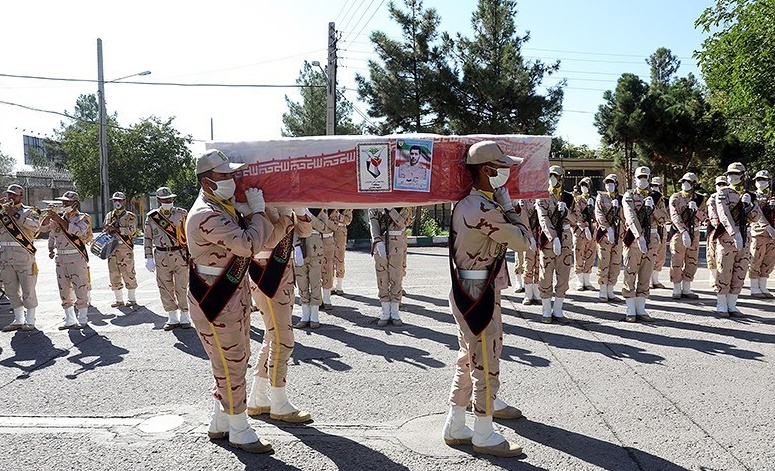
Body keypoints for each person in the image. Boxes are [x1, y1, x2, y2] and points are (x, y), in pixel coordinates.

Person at [443, 140, 529, 457]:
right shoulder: (483, 209)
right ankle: (483, 432)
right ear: (488, 170)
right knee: (486, 360)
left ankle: (455, 424)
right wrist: (509, 208)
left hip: (470, 286)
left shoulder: (471, 204)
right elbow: (524, 242)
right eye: (502, 167)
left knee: (469, 358)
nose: (507, 172)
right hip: (478, 293)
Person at [186, 149, 274, 453]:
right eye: (226, 176)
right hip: (216, 296)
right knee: (231, 362)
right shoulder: (206, 214)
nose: (233, 180)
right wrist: (258, 213)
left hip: (227, 294)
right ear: (208, 181)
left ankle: (220, 421)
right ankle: (239, 428)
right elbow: (247, 244)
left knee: (227, 360)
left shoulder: (220, 206)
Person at [246, 206, 313, 424]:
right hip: (268, 273)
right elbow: (269, 240)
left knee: (272, 335)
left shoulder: (283, 201)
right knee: (283, 340)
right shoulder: (256, 203)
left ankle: (258, 397)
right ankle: (279, 401)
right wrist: (285, 216)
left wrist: (301, 212)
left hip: (282, 273)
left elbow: (305, 231)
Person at [621, 166, 668, 322]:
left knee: (646, 273)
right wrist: (639, 236)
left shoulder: (657, 198)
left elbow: (664, 219)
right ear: (635, 179)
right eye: (640, 177)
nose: (642, 180)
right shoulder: (629, 195)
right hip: (634, 239)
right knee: (630, 272)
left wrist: (653, 208)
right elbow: (630, 216)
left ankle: (641, 309)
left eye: (645, 177)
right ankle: (630, 309)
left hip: (652, 240)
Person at [42, 191, 92, 329]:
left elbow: (77, 231)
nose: (63, 204)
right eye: (63, 202)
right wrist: (50, 248)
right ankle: (70, 318)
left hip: (76, 257)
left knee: (80, 287)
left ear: (75, 204)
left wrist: (58, 219)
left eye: (67, 202)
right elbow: (47, 231)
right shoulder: (58, 218)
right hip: (61, 258)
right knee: (64, 289)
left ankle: (82, 317)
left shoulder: (83, 218)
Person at [715, 162, 760, 317]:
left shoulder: (749, 195)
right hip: (727, 237)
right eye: (729, 174)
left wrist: (750, 205)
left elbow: (756, 218)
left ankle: (732, 304)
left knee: (740, 270)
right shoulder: (723, 192)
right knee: (724, 270)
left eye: (736, 174)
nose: (732, 177)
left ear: (743, 175)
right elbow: (724, 215)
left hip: (745, 236)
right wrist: (735, 234)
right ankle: (721, 304)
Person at [144, 187, 190, 330]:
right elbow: (147, 238)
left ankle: (184, 316)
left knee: (182, 286)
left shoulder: (182, 214)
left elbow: (190, 234)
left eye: (169, 199)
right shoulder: (152, 217)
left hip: (180, 254)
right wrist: (148, 257)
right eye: (164, 200)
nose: (167, 201)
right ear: (158, 201)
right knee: (165, 287)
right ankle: (172, 317)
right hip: (161, 255)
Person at [536, 165, 575, 323]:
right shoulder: (542, 196)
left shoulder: (569, 197)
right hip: (548, 240)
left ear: (561, 178)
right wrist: (554, 237)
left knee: (563, 274)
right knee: (546, 274)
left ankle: (558, 310)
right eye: (550, 175)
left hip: (565, 238)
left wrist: (567, 212)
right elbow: (543, 219)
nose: (553, 178)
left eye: (556, 175)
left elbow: (576, 220)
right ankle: (546, 310)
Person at [0, 184, 41, 332]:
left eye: (14, 195)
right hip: (5, 258)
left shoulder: (30, 211)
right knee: (10, 289)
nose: (11, 197)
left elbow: (36, 227)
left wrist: (15, 215)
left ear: (21, 196)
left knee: (28, 289)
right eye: (9, 194)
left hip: (23, 257)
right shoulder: (2, 212)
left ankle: (30, 320)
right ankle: (18, 319)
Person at [369, 207, 412, 326]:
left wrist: (390, 209)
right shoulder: (375, 204)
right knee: (382, 277)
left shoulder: (403, 206)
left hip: (397, 244)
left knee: (396, 278)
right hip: (381, 243)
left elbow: (402, 224)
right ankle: (385, 311)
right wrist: (377, 241)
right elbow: (373, 224)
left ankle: (395, 312)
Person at [668, 173, 706, 300]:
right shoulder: (676, 197)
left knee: (692, 261)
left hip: (694, 232)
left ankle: (687, 287)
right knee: (677, 260)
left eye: (689, 182)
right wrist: (683, 231)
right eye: (683, 181)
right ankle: (676, 287)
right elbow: (674, 216)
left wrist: (697, 211)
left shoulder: (700, 199)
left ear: (694, 184)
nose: (685, 184)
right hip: (679, 233)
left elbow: (705, 217)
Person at [104, 191, 138, 308]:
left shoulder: (130, 216)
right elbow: (105, 229)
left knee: (128, 273)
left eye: (119, 200)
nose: (117, 202)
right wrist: (108, 229)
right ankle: (119, 299)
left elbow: (132, 231)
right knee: (114, 274)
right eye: (115, 200)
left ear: (124, 201)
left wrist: (118, 229)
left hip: (125, 248)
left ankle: (131, 299)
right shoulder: (109, 215)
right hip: (112, 249)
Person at [293, 208, 326, 329]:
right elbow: (292, 227)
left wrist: (309, 215)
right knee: (302, 282)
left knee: (315, 283)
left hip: (316, 251)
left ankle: (315, 316)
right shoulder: (296, 208)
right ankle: (305, 315)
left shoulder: (320, 209)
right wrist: (296, 246)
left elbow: (324, 227)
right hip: (300, 249)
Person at [595, 174, 623, 303]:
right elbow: (599, 213)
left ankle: (610, 290)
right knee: (604, 262)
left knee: (616, 262)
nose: (609, 185)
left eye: (611, 183)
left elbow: (626, 217)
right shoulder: (601, 197)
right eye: (607, 183)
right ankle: (602, 291)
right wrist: (607, 228)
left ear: (616, 184)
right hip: (605, 235)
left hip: (618, 235)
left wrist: (619, 208)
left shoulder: (622, 198)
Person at [748, 170, 775, 298]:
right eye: (758, 180)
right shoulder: (752, 196)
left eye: (763, 180)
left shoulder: (772, 195)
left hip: (773, 234)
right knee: (756, 259)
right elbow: (755, 213)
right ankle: (754, 287)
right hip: (758, 232)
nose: (761, 182)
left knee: (769, 261)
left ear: (769, 181)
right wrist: (767, 227)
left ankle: (763, 286)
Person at [572, 177, 596, 290]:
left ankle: (587, 280)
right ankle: (579, 280)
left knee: (590, 254)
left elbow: (598, 216)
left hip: (593, 231)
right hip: (580, 231)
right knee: (579, 255)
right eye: (582, 186)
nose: (583, 188)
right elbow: (577, 215)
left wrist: (592, 208)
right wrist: (584, 227)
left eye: (586, 185)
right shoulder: (577, 199)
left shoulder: (594, 199)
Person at [516, 198, 540, 305]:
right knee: (529, 264)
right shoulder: (525, 201)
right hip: (529, 237)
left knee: (540, 265)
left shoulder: (544, 197)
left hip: (542, 237)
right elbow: (524, 221)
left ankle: (537, 292)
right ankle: (528, 294)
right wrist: (530, 237)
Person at [706, 176, 727, 290]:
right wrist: (720, 226)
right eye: (719, 184)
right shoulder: (712, 198)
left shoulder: (731, 196)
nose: (721, 186)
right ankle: (713, 278)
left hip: (729, 231)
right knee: (713, 255)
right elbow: (712, 214)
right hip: (716, 230)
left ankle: (723, 279)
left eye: (723, 184)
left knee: (724, 257)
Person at [650, 176, 669, 289]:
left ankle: (655, 279)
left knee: (660, 255)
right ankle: (647, 280)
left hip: (661, 229)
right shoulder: (647, 197)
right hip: (650, 229)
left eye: (657, 186)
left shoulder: (664, 200)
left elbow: (667, 216)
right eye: (653, 186)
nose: (655, 188)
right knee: (648, 256)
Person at [330, 209, 353, 295]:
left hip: (341, 231)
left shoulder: (346, 206)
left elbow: (349, 220)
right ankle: (330, 284)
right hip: (329, 230)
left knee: (340, 258)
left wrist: (340, 216)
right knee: (329, 259)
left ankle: (339, 285)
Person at [320, 209, 337, 310]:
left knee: (328, 270)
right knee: (315, 271)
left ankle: (326, 299)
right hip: (313, 239)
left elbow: (335, 226)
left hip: (327, 240)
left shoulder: (332, 209)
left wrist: (322, 218)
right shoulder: (311, 206)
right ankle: (317, 298)